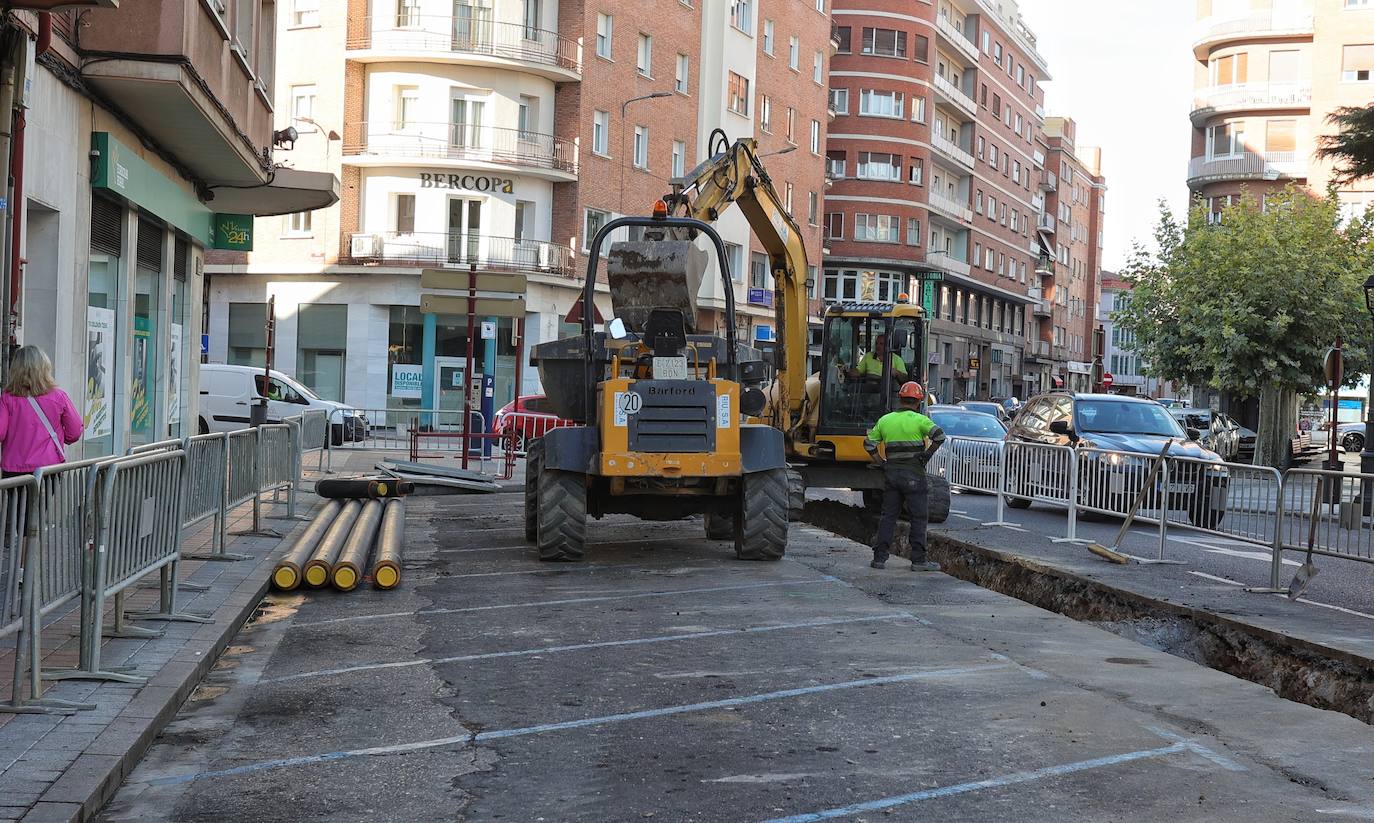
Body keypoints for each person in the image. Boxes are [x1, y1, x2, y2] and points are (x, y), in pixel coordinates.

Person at [864, 381, 945, 571]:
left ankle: (879, 558)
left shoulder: (885, 420)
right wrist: (926, 455)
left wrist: (881, 462)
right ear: (918, 402)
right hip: (914, 476)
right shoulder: (920, 420)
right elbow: (939, 436)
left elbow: (869, 445)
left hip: (892, 475)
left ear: (900, 399)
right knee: (918, 517)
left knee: (888, 516)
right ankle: (919, 560)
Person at [0, 346, 83, 477]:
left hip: (14, 468)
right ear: (44, 368)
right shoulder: (58, 396)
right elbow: (75, 431)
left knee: (17, 498)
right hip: (48, 468)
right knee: (44, 498)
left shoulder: (7, 398)